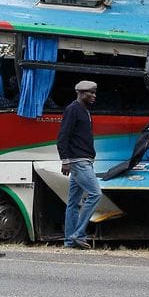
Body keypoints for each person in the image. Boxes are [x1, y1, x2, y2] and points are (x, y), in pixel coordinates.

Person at [57, 80, 100, 249]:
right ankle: (78, 234)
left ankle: (69, 241)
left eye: (95, 92)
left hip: (82, 160)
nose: (94, 96)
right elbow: (62, 137)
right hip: (79, 161)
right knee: (95, 194)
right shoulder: (73, 109)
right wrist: (65, 160)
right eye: (91, 93)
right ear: (81, 93)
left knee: (73, 202)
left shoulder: (84, 110)